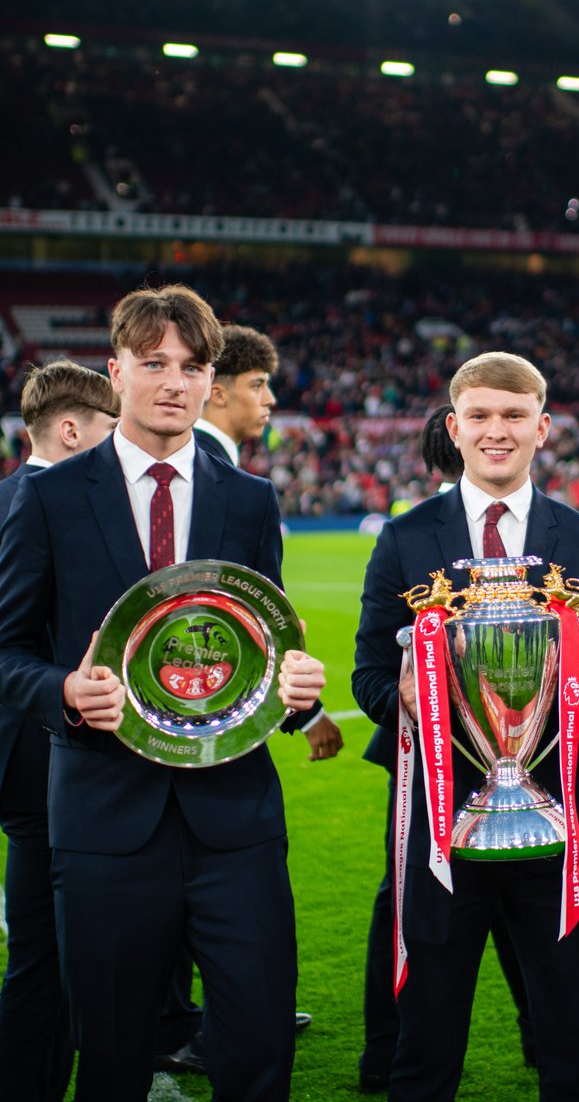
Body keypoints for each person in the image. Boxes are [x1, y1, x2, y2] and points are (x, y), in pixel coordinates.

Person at [0, 284, 326, 1102]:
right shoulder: (47, 497)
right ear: (116, 372)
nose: (174, 381)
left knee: (256, 1051)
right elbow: (5, 651)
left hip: (234, 824)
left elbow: (263, 643)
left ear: (209, 378)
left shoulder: (250, 500)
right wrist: (65, 690)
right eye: (154, 363)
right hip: (105, 820)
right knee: (111, 1059)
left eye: (192, 365)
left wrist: (295, 690)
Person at [353, 353, 579, 1102]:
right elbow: (368, 678)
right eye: (479, 415)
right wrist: (404, 696)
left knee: (571, 1043)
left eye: (514, 416)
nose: (496, 431)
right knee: (427, 1042)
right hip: (438, 831)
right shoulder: (405, 538)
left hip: (556, 823)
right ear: (454, 426)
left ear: (543, 428)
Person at [152, 322, 341, 1075]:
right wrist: (304, 711)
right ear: (219, 389)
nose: (270, 399)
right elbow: (247, 619)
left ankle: (197, 1014)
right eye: (261, 385)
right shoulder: (201, 468)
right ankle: (189, 1021)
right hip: (185, 728)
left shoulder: (233, 477)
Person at [0, 360, 119, 1102]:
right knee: (64, 957)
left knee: (42, 957)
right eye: (109, 431)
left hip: (25, 757)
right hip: (50, 755)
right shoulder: (51, 503)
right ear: (71, 429)